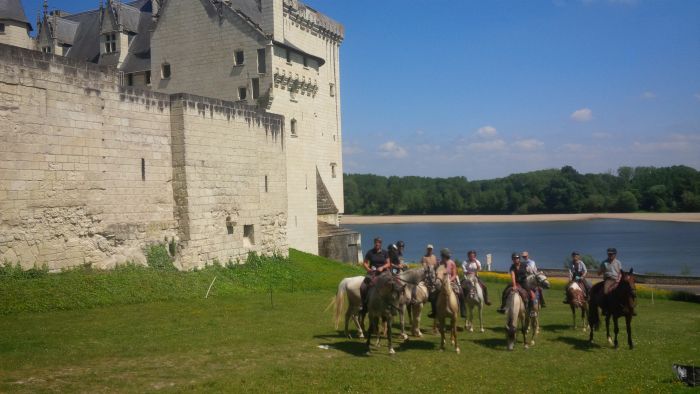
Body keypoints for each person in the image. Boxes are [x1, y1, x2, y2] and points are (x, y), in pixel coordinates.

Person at [429, 248, 464, 318]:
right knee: (433, 294)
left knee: (460, 293)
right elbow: (436, 272)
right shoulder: (439, 263)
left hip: (450, 282)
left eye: (443, 256)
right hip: (440, 282)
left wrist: (449, 280)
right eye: (443, 256)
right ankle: (434, 311)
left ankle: (462, 311)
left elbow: (454, 275)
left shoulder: (452, 263)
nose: (443, 257)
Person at [360, 237, 390, 312]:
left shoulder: (385, 252)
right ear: (374, 243)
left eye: (379, 242)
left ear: (381, 244)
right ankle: (364, 304)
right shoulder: (370, 252)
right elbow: (365, 263)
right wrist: (368, 269)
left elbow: (388, 263)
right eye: (376, 242)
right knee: (363, 286)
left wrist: (382, 267)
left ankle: (392, 303)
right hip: (373, 273)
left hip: (384, 272)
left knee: (393, 283)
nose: (377, 244)